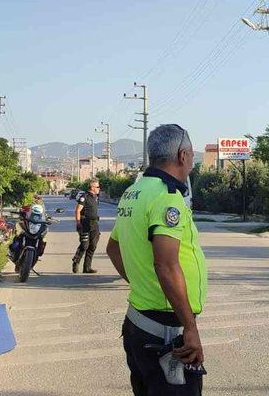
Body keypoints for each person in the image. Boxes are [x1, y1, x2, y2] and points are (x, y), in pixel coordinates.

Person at [107, 124, 208, 396]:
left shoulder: (134, 192)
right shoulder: (167, 197)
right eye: (191, 156)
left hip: (139, 324)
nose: (192, 163)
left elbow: (113, 248)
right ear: (183, 155)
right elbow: (166, 264)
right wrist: (190, 326)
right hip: (165, 332)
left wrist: (140, 281)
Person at [71, 179, 100, 274]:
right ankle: (76, 261)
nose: (99, 188)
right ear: (92, 187)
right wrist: (78, 223)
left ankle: (87, 267)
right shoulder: (85, 197)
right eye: (97, 187)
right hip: (85, 224)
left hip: (94, 224)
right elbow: (78, 210)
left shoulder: (96, 197)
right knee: (84, 245)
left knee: (93, 246)